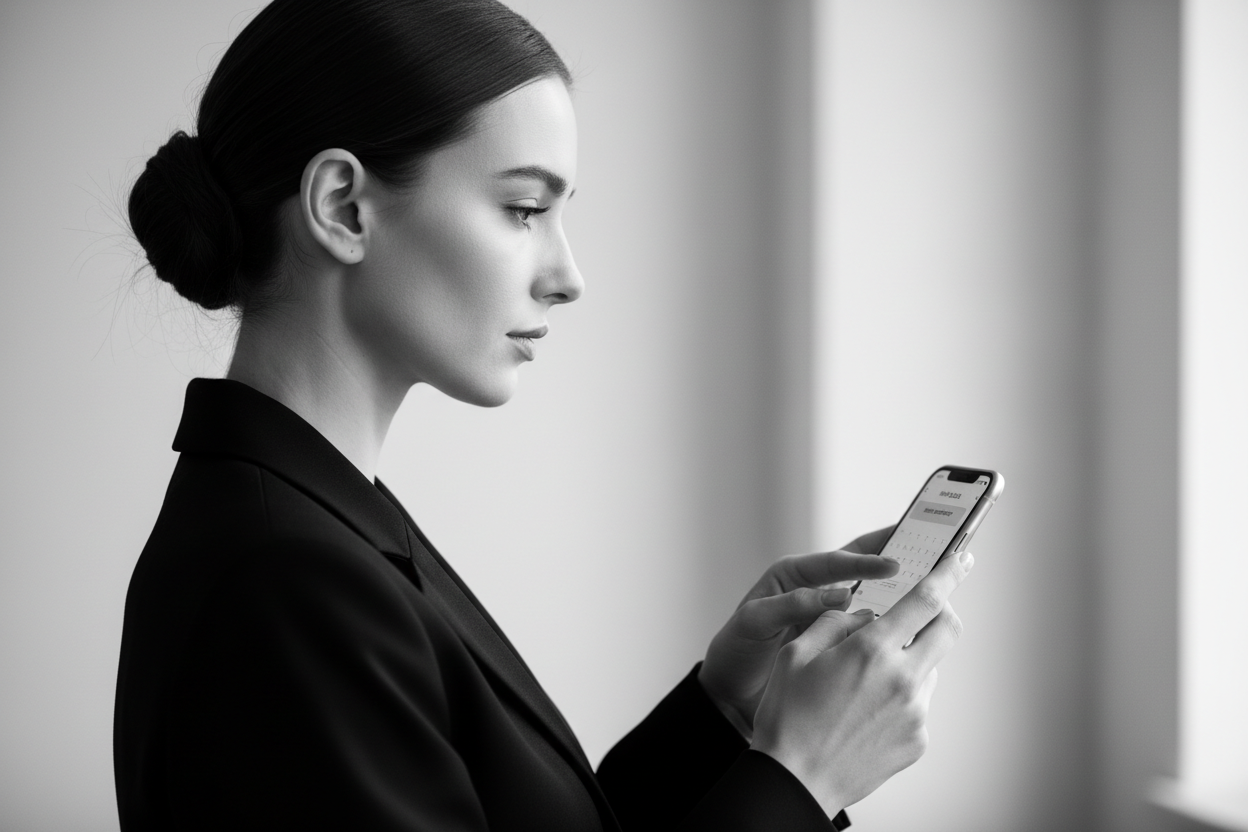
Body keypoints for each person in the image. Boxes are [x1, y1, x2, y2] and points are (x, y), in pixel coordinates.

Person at [114, 1, 974, 830]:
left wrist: (722, 713)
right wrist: (799, 777)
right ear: (343, 206)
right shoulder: (285, 578)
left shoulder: (326, 522)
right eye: (525, 209)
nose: (568, 275)